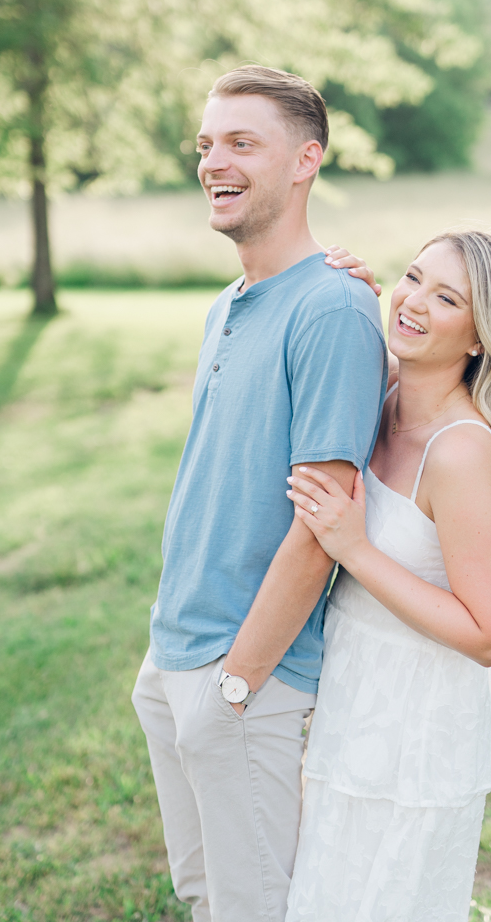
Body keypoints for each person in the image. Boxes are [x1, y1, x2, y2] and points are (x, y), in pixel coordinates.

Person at [131, 66, 388, 922]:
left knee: (256, 909)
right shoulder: (228, 302)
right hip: (174, 653)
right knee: (206, 895)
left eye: (243, 142)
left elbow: (323, 522)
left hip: (244, 673)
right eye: (206, 144)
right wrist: (173, 667)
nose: (214, 161)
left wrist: (237, 684)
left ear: (306, 159)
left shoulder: (332, 308)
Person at [285, 231, 491, 922]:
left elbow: (489, 634)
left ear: (481, 337)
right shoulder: (384, 390)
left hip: (417, 732)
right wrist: (344, 292)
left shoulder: (459, 452)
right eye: (412, 277)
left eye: (445, 297)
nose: (414, 302)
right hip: (349, 701)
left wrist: (355, 550)